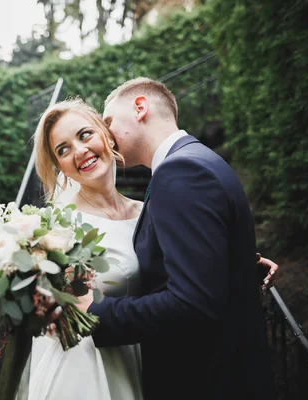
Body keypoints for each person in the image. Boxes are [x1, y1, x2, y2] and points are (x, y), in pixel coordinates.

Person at [16, 94, 277, 399]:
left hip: (144, 352)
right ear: (59, 164)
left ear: (106, 134)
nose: (79, 151)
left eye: (85, 134)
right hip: (89, 364)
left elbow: (175, 269)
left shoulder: (146, 209)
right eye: (63, 150)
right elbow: (51, 308)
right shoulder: (59, 228)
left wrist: (233, 265)